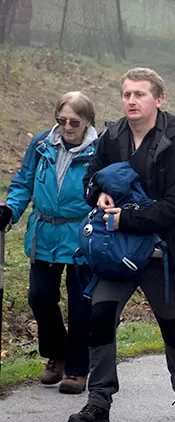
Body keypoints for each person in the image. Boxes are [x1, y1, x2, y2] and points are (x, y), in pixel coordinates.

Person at [67, 68, 175, 422]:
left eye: (140, 94)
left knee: (171, 324)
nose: (131, 100)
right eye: (127, 94)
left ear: (158, 100)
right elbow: (90, 181)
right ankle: (98, 403)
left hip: (161, 252)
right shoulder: (111, 137)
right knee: (100, 318)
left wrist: (126, 218)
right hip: (116, 251)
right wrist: (97, 194)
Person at [1, 92, 98, 394]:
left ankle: (78, 368)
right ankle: (57, 355)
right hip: (44, 232)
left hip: (82, 234)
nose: (68, 127)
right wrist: (10, 209)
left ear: (87, 122)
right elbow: (23, 181)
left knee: (81, 305)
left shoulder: (99, 150)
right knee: (40, 297)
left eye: (74, 122)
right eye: (62, 120)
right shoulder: (42, 144)